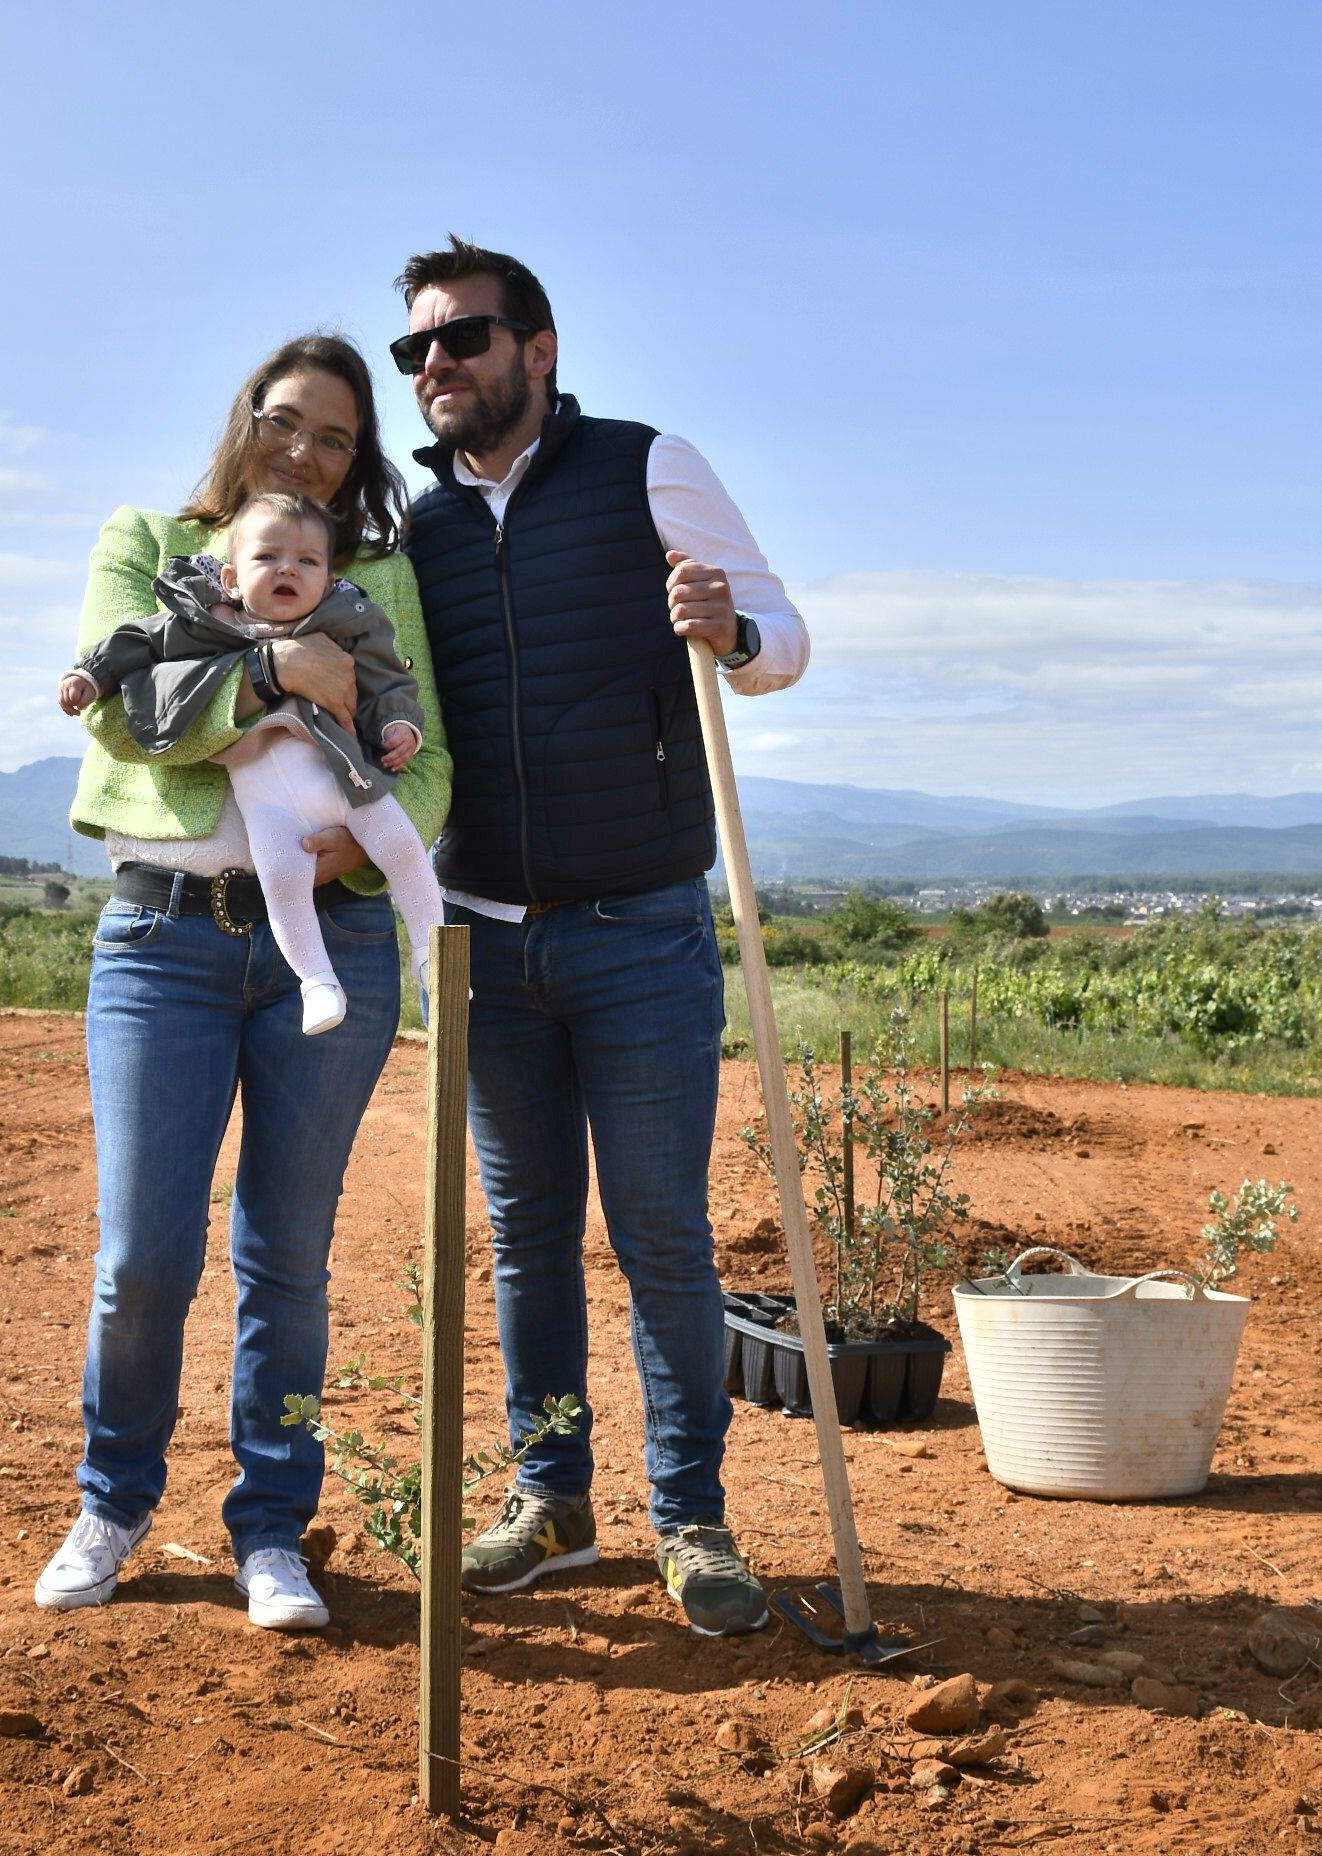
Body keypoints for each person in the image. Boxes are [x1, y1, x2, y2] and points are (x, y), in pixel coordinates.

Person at [393, 237, 810, 1636]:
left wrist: (734, 626)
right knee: (526, 1242)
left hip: (640, 932)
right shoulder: (413, 528)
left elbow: (791, 637)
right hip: (484, 940)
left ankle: (691, 1519)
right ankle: (554, 1501)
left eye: (462, 338)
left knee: (663, 1240)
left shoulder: (648, 468)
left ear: (540, 348)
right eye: (418, 350)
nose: (436, 367)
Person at [34, 333, 449, 1631]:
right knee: (142, 1258)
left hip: (329, 942)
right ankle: (114, 1502)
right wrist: (276, 670)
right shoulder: (153, 543)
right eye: (288, 423)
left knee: (289, 1259)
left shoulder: (376, 574)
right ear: (244, 418)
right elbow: (118, 702)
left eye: (336, 438)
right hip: (163, 936)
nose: (308, 453)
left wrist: (349, 855)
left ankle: (274, 1531)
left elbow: (424, 762)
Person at [59, 491, 446, 1034]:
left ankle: (432, 957)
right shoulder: (203, 623)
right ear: (233, 577)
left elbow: (390, 683)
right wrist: (91, 674)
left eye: (308, 562)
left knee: (403, 847)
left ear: (328, 579)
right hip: (264, 800)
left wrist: (397, 726)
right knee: (283, 881)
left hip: (349, 777)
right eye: (268, 558)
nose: (288, 569)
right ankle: (316, 982)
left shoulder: (346, 622)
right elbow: (133, 645)